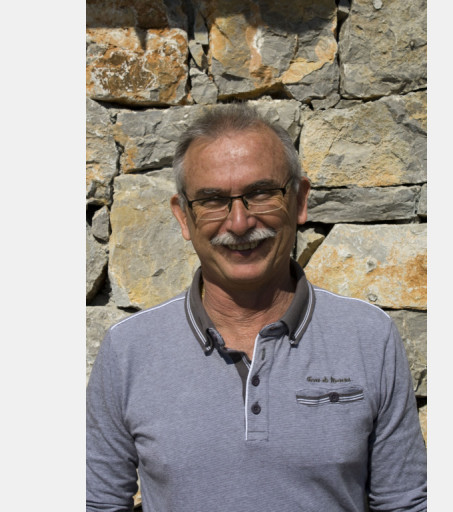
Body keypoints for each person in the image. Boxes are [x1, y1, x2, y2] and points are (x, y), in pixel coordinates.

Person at [86, 104, 427, 511]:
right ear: (183, 217)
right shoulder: (129, 350)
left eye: (261, 193)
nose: (239, 222)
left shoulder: (368, 337)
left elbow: (405, 502)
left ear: (300, 200)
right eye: (212, 199)